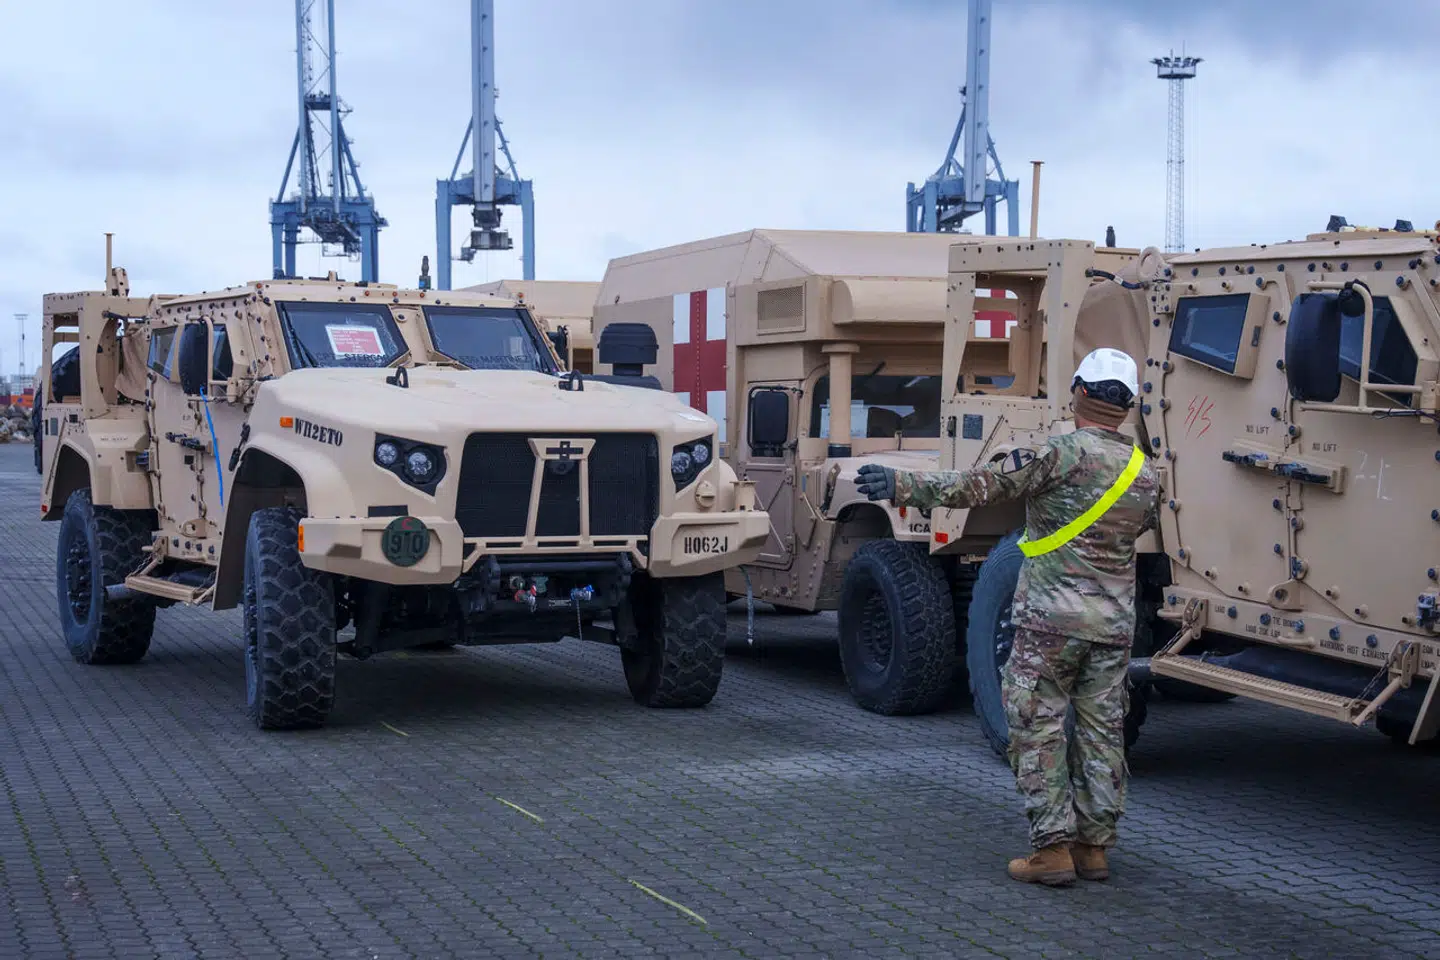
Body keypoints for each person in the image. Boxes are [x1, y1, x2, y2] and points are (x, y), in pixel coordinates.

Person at [855, 347, 1161, 887]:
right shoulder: (1146, 473)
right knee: (1102, 733)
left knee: (1036, 726)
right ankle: (1094, 848)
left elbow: (979, 487)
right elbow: (1133, 534)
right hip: (1113, 626)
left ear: (1080, 393)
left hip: (1050, 622)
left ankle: (1051, 849)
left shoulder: (1057, 454)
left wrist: (902, 484)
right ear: (1130, 404)